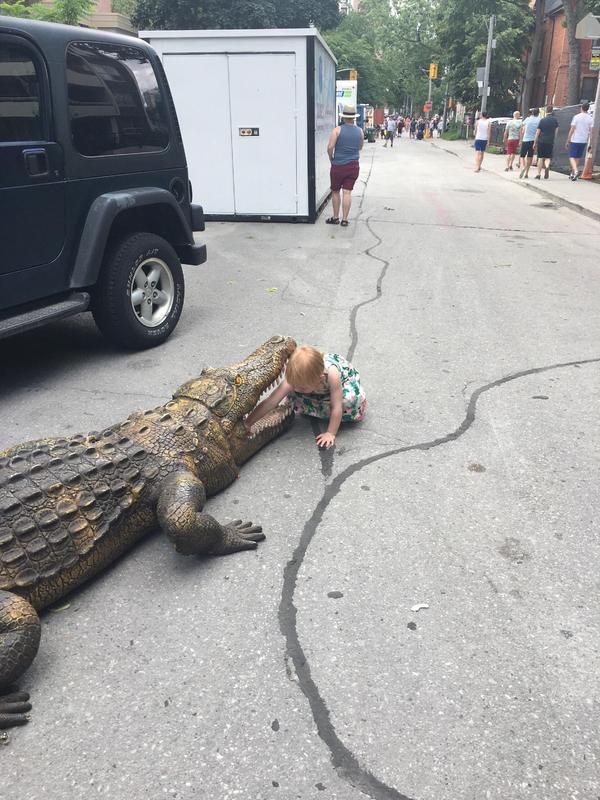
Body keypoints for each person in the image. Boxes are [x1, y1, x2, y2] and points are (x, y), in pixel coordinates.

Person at [244, 346, 366, 449]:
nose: (296, 388)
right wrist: (248, 423)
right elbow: (270, 401)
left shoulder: (332, 375)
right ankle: (312, 401)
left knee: (348, 402)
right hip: (314, 389)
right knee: (289, 391)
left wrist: (330, 433)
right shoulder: (295, 380)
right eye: (294, 385)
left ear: (319, 378)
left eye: (301, 387)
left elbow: (336, 406)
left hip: (341, 386)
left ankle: (356, 405)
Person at [326, 104, 363, 227]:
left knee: (335, 191)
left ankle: (336, 218)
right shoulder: (360, 131)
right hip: (353, 166)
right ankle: (345, 219)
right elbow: (360, 147)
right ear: (353, 117)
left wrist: (331, 157)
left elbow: (330, 147)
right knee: (347, 192)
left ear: (343, 117)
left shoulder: (337, 130)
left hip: (338, 166)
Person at [566, 101, 594, 181]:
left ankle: (575, 171)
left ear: (581, 108)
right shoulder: (590, 118)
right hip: (583, 140)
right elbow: (591, 132)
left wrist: (568, 140)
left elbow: (572, 129)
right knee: (577, 157)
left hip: (575, 139)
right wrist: (590, 144)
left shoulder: (576, 117)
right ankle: (573, 174)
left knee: (571, 156)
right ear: (588, 109)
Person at [534, 105, 559, 180]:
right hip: (550, 141)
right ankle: (547, 166)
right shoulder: (555, 120)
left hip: (541, 141)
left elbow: (538, 132)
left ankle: (538, 174)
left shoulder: (542, 120)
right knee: (548, 157)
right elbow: (556, 131)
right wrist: (553, 138)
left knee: (541, 157)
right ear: (552, 111)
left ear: (546, 111)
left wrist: (535, 142)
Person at [519, 107, 540, 179]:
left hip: (525, 140)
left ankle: (523, 167)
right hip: (533, 140)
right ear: (538, 113)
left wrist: (520, 139)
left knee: (522, 156)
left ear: (531, 113)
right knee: (530, 157)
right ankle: (527, 173)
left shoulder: (527, 119)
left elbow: (522, 128)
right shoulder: (539, 120)